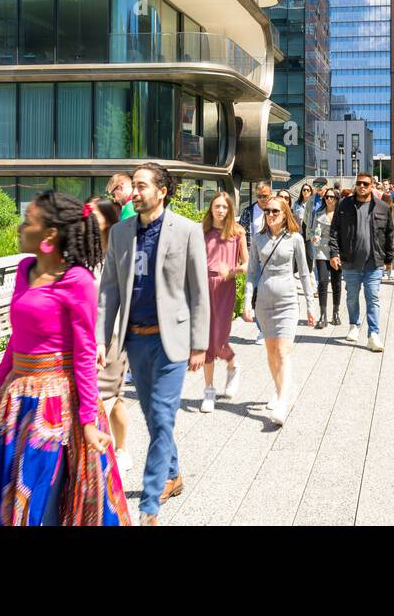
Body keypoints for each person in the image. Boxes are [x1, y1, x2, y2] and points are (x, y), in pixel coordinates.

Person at [0, 191, 131, 527]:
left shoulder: (78, 281)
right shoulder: (25, 269)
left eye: (29, 222)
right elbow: (17, 339)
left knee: (45, 502)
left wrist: (86, 422)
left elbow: (84, 353)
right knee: (9, 498)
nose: (21, 227)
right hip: (16, 402)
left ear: (50, 234)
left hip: (57, 406)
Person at [96, 163, 209, 527]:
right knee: (154, 417)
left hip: (171, 342)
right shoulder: (120, 233)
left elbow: (198, 292)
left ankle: (149, 506)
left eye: (143, 185)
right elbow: (109, 289)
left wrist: (200, 344)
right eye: (134, 186)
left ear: (162, 191)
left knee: (161, 418)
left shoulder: (187, 231)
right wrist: (102, 338)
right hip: (135, 341)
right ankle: (173, 476)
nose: (136, 191)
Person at [243, 196, 315, 426]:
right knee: (271, 352)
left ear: (285, 214)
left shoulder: (295, 239)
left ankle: (283, 401)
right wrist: (247, 302)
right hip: (264, 303)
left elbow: (304, 272)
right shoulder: (257, 239)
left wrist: (311, 305)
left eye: (275, 211)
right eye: (267, 211)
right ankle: (279, 389)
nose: (270, 214)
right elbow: (252, 273)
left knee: (283, 352)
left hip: (287, 302)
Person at [86, 197, 133, 477]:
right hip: (86, 337)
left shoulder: (119, 251)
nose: (88, 217)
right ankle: (107, 451)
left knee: (109, 398)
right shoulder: (81, 254)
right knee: (103, 400)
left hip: (113, 335)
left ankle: (117, 450)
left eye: (94, 213)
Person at [329, 173, 393, 352]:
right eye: (359, 183)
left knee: (372, 297)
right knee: (351, 296)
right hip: (350, 262)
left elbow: (389, 234)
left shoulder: (382, 207)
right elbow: (334, 231)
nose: (362, 186)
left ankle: (373, 334)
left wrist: (389, 258)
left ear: (372, 185)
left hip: (374, 262)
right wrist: (334, 253)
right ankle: (354, 325)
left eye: (365, 183)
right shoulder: (344, 205)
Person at [200, 191, 248, 413]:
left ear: (230, 209)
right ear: (211, 208)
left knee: (219, 340)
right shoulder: (202, 231)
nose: (220, 210)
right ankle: (208, 391)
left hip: (225, 286)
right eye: (216, 206)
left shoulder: (237, 233)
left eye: (224, 207)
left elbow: (247, 264)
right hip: (203, 285)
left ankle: (233, 364)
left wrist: (232, 272)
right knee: (207, 342)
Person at [310, 189, 342, 328]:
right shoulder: (318, 214)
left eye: (332, 197)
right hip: (321, 252)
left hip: (337, 252)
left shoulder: (342, 214)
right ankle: (323, 315)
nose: (329, 199)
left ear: (336, 199)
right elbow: (312, 231)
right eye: (327, 197)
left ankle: (336, 313)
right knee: (322, 282)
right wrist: (314, 237)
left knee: (336, 282)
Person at [239, 181, 272, 248]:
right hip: (253, 252)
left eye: (265, 196)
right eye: (259, 196)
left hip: (271, 251)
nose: (262, 199)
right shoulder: (247, 212)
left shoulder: (276, 211)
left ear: (271, 194)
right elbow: (240, 233)